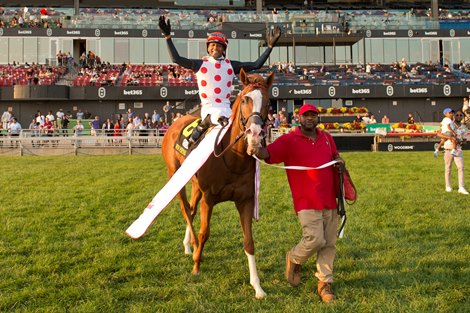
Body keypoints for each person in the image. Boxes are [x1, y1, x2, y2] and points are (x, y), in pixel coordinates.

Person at [247, 104, 345, 304]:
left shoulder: (327, 138)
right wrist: (256, 148)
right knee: (315, 239)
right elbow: (268, 154)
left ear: (317, 118)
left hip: (330, 199)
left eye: (313, 115)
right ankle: (294, 257)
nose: (310, 119)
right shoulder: (289, 140)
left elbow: (334, 155)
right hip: (306, 200)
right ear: (299, 119)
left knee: (329, 243)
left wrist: (338, 160)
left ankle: (324, 283)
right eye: (306, 116)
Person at [158, 16, 281, 143]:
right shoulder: (199, 64)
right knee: (218, 119)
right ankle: (199, 130)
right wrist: (167, 37)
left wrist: (270, 46)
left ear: (223, 49)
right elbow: (176, 59)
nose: (215, 48)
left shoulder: (231, 65)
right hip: (209, 108)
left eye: (219, 46)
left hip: (228, 109)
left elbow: (256, 65)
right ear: (208, 47)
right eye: (212, 45)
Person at [440, 109, 468, 194]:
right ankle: (448, 186)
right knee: (448, 168)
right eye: (456, 115)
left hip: (458, 149)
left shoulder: (463, 127)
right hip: (448, 148)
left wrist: (462, 141)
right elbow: (443, 134)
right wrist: (451, 137)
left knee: (461, 167)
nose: (458, 116)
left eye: (460, 115)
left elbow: (465, 140)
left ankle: (461, 187)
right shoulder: (448, 124)